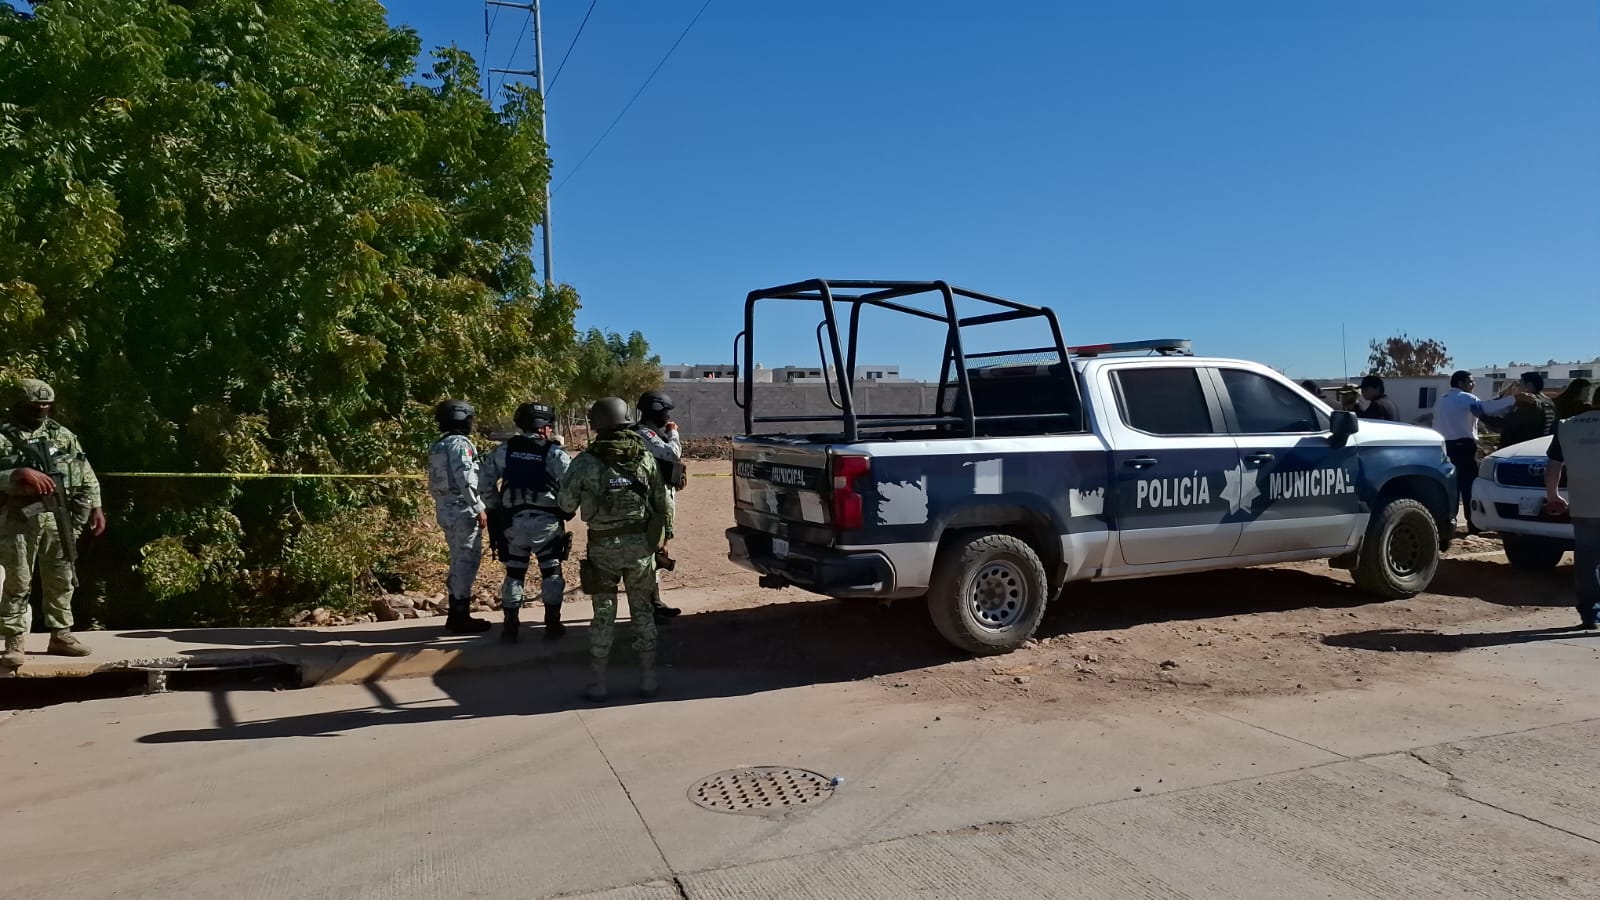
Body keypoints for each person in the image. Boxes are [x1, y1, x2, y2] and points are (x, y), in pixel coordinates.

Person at [558, 397, 671, 702]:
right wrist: (663, 539)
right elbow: (663, 503)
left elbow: (565, 504)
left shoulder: (584, 462)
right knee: (643, 612)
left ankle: (598, 683)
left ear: (596, 425)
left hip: (603, 547)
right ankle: (648, 680)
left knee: (603, 613)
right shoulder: (645, 458)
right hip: (640, 548)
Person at [0, 379, 106, 669]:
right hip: (17, 518)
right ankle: (14, 640)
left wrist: (96, 506)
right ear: (20, 405)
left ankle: (61, 635)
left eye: (46, 405)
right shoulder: (3, 435)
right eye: (36, 405)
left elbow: (84, 470)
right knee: (17, 580)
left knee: (62, 575)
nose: (42, 410)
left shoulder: (62, 434)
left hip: (58, 516)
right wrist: (18, 473)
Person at [478, 402, 571, 643]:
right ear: (544, 428)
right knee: (551, 572)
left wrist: (497, 507)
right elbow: (571, 486)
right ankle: (552, 624)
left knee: (514, 573)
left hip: (513, 523)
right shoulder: (554, 453)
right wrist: (566, 509)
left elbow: (484, 483)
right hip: (547, 523)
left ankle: (510, 627)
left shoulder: (504, 450)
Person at [427, 399, 491, 634]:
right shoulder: (460, 444)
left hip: (445, 509)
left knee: (457, 560)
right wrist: (478, 507)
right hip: (462, 510)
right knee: (466, 562)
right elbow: (465, 478)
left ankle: (457, 612)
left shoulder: (438, 445)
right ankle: (459, 616)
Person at [1433, 370, 1516, 534]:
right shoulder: (1466, 398)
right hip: (1463, 446)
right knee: (1469, 486)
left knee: (1451, 486)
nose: (1473, 384)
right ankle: (1474, 524)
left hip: (1443, 447)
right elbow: (1487, 408)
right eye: (1470, 381)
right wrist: (1513, 399)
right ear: (1460, 383)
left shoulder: (1441, 401)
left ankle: (1448, 524)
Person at [1543, 397, 1600, 629]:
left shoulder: (1566, 426)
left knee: (1586, 561)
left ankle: (1591, 615)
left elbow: (1553, 465)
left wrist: (1552, 494)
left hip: (1584, 505)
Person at [634, 390, 687, 621]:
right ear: (655, 411)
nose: (668, 417)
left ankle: (654, 603)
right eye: (665, 412)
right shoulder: (643, 433)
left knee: (659, 550)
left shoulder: (653, 433)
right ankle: (651, 606)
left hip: (662, 499)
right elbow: (671, 454)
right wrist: (674, 434)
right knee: (653, 552)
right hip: (651, 503)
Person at [1482, 372, 1557, 450]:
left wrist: (1482, 416)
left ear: (1528, 386)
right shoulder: (1549, 402)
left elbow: (1507, 423)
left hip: (1518, 448)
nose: (1517, 388)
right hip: (1538, 447)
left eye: (1519, 385)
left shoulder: (1529, 402)